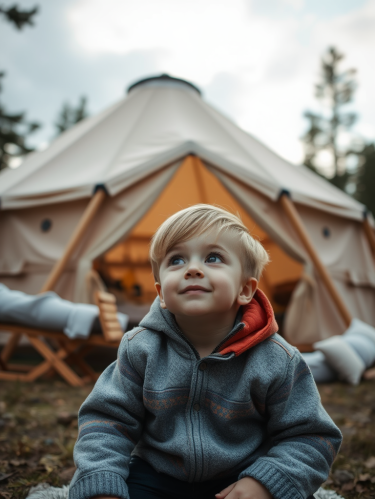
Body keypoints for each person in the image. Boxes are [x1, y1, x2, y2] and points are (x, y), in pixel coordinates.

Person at [69, 204, 342, 499]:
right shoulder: (141, 349)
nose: (193, 269)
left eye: (213, 258)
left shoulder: (276, 359)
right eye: (176, 260)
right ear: (161, 294)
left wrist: (265, 483)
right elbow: (107, 423)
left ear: (245, 290)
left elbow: (310, 436)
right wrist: (102, 481)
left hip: (242, 475)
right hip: (158, 475)